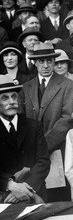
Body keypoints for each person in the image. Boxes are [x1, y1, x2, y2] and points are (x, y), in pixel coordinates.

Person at [19, 42, 73, 202]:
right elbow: (21, 119)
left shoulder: (67, 85)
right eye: (41, 61)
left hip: (56, 149)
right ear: (35, 63)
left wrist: (43, 144)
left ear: (54, 62)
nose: (45, 65)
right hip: (31, 153)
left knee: (56, 197)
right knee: (34, 195)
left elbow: (68, 119)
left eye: (49, 61)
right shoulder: (26, 88)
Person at [0, 74, 50, 204]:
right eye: (5, 98)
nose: (11, 101)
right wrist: (11, 185)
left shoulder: (34, 125)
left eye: (14, 96)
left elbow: (43, 161)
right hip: (4, 197)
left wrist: (26, 189)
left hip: (34, 193)